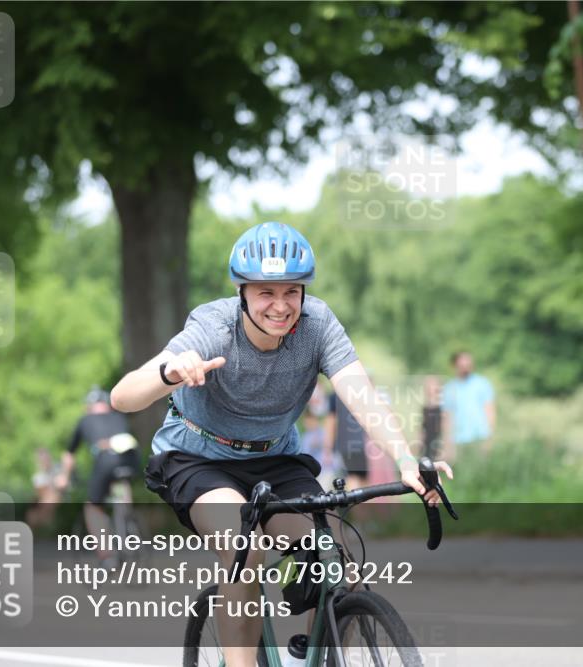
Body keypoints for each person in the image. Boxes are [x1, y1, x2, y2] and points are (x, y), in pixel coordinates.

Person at [109, 221, 451, 667]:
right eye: (266, 293)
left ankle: (319, 656)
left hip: (274, 457)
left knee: (334, 556)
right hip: (197, 458)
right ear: (243, 293)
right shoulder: (213, 327)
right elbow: (123, 395)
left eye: (291, 291)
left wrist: (406, 458)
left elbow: (360, 395)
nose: (280, 305)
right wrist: (169, 372)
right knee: (243, 547)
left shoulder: (317, 325)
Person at [56, 386, 141, 564]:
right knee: (121, 481)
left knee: (92, 507)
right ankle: (127, 523)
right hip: (131, 459)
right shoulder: (119, 417)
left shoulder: (85, 420)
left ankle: (107, 556)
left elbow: (69, 454)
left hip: (105, 461)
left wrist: (64, 477)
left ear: (89, 407)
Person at [441, 351, 496, 461]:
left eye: (468, 365)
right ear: (455, 366)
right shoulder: (449, 388)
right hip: (457, 440)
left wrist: (489, 438)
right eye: (462, 365)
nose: (466, 368)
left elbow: (490, 411)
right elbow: (447, 417)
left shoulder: (482, 383)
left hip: (479, 437)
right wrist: (447, 444)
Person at [299, 385, 342, 490]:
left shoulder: (323, 433)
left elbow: (333, 454)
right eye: (307, 420)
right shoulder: (305, 438)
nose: (309, 423)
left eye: (312, 419)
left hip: (328, 469)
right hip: (314, 473)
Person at [326, 391, 370, 490]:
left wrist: (327, 449)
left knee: (353, 478)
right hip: (359, 444)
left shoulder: (335, 397)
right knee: (362, 480)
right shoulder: (360, 395)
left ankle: (358, 505)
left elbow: (331, 423)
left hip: (346, 445)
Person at [26, 448, 63, 528]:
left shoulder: (58, 469)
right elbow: (38, 494)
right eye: (41, 459)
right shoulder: (38, 476)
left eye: (45, 458)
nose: (44, 461)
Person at [420, 375, 444, 460]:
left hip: (438, 442)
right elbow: (423, 428)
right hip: (427, 443)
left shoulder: (443, 407)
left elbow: (444, 428)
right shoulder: (425, 407)